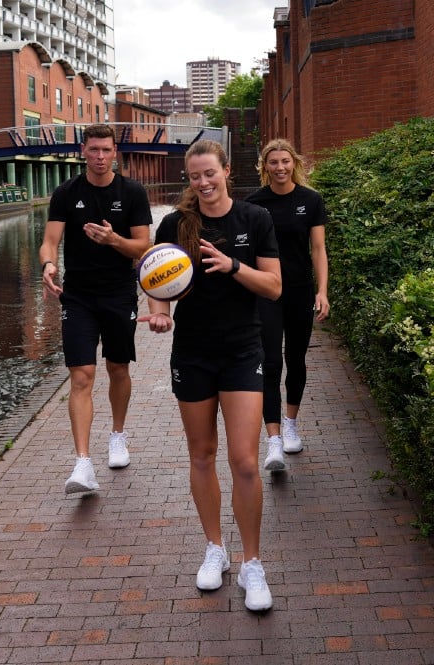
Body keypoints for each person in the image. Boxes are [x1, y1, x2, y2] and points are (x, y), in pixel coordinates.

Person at [140, 139, 281, 611]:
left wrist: (232, 265)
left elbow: (275, 286)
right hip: (193, 353)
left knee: (244, 460)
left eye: (210, 173)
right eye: (195, 176)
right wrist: (158, 312)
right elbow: (157, 279)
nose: (202, 182)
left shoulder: (254, 220)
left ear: (225, 171)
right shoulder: (175, 224)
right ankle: (214, 549)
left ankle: (252, 562)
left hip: (243, 351)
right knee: (201, 455)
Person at [39, 123, 153, 494]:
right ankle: (83, 463)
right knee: (82, 375)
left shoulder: (132, 192)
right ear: (82, 151)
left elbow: (143, 249)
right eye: (93, 150)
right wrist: (48, 266)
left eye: (106, 150)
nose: (100, 157)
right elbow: (49, 241)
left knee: (118, 367)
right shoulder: (66, 193)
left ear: (115, 152)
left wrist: (113, 239)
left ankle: (117, 436)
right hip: (79, 297)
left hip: (120, 293)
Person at [245, 139, 329, 472]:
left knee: (296, 359)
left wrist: (322, 291)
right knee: (268, 360)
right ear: (264, 167)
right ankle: (274, 439)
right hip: (266, 293)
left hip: (299, 291)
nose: (280, 168)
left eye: (285, 162)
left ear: (294, 163)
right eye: (273, 163)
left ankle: (290, 422)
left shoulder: (311, 201)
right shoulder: (253, 204)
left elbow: (318, 250)